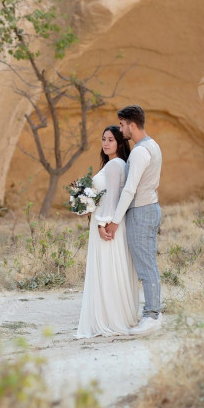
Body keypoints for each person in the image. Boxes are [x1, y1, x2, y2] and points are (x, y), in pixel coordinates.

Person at [102, 105, 163, 335]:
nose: (121, 129)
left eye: (122, 125)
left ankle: (152, 316)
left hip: (141, 211)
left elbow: (130, 189)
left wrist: (115, 221)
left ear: (132, 124)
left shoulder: (138, 152)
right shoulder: (153, 145)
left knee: (146, 267)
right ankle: (154, 312)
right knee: (149, 265)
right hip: (151, 207)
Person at [76, 126, 139, 338]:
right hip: (108, 222)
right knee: (111, 269)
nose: (106, 143)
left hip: (107, 226)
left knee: (108, 268)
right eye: (103, 139)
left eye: (111, 139)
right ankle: (115, 314)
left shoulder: (115, 165)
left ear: (120, 143)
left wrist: (102, 224)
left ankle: (110, 318)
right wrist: (85, 205)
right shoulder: (117, 164)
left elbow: (113, 198)